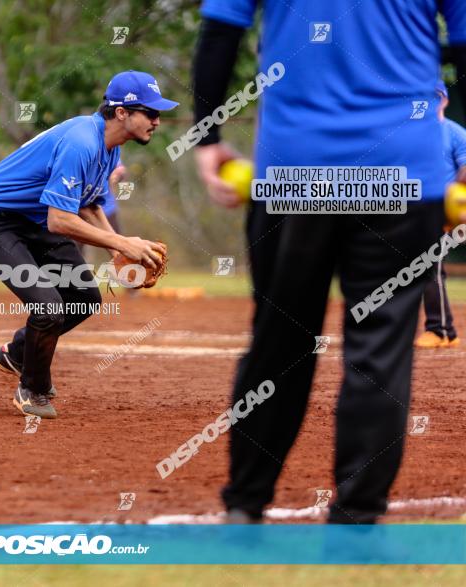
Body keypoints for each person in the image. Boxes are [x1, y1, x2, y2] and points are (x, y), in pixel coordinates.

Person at [192, 0, 466, 523]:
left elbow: (219, 34)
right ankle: (358, 517)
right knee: (380, 351)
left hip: (295, 168)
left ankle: (246, 505)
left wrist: (207, 139)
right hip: (404, 174)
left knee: (278, 345)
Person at [0, 71, 173, 419]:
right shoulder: (82, 143)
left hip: (33, 219)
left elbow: (90, 203)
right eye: (150, 112)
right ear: (122, 113)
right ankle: (32, 388)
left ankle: (17, 353)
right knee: (48, 306)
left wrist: (117, 252)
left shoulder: (110, 149)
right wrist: (122, 241)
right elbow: (60, 221)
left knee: (84, 298)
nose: (157, 120)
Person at [415, 82, 466, 349]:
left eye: (435, 96)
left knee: (429, 267)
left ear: (444, 100)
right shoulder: (411, 134)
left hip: (444, 212)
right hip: (414, 212)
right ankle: (444, 330)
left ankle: (441, 329)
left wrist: (451, 199)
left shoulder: (455, 133)